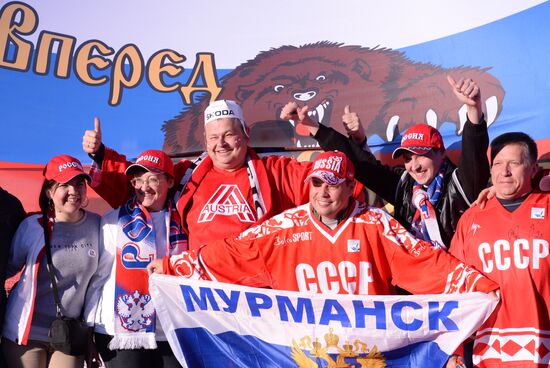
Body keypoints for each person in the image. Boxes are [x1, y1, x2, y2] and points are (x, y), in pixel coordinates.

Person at [149, 151, 498, 301]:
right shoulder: (284, 227)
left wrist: (478, 286)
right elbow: (230, 255)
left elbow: (426, 263)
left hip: (368, 355)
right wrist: (170, 266)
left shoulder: (376, 225)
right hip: (303, 354)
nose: (323, 192)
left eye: (333, 184)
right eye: (317, 183)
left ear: (350, 187)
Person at [82, 100, 337, 250]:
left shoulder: (276, 172)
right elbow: (142, 189)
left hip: (257, 292)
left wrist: (315, 129)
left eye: (228, 135)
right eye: (214, 137)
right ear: (205, 140)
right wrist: (100, 155)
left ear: (246, 134)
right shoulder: (185, 176)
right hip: (201, 294)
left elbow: (335, 174)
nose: (221, 144)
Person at [281, 76, 490, 249]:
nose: (414, 166)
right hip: (415, 285)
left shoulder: (460, 185)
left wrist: (474, 109)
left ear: (440, 154)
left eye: (421, 156)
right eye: (408, 158)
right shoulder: (405, 185)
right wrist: (311, 125)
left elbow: (474, 152)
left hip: (456, 284)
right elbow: (362, 165)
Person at [449, 132, 549, 367]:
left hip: (543, 349)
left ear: (533, 169)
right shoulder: (472, 217)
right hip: (490, 351)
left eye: (514, 163)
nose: (504, 172)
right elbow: (454, 289)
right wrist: (454, 350)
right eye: (497, 164)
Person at [85, 150, 187, 368]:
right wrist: (88, 329)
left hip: (172, 327)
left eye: (152, 178)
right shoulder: (113, 220)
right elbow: (98, 277)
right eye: (138, 180)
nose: (144, 187)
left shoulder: (185, 219)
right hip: (120, 331)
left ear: (169, 181)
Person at [2, 155, 101, 368]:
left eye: (79, 184)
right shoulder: (32, 226)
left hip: (71, 333)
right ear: (49, 191)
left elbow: (100, 284)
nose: (74, 191)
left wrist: (92, 336)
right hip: (25, 332)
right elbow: (7, 267)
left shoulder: (99, 226)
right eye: (65, 185)